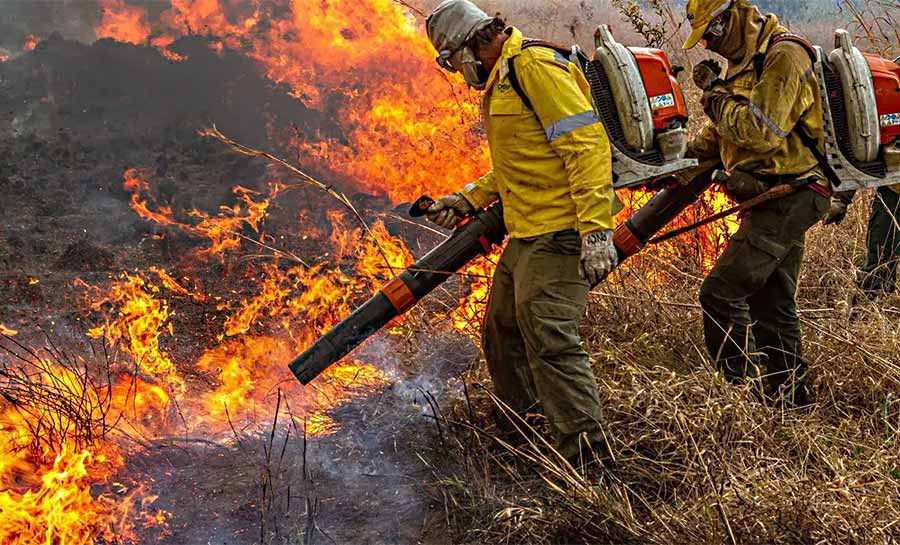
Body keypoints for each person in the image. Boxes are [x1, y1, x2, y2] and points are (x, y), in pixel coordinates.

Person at [424, 0, 617, 463]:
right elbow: (523, 162)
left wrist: (595, 233)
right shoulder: (504, 78)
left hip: (563, 228)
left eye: (452, 63)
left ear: (468, 49)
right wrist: (467, 199)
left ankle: (590, 463)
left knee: (548, 334)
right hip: (529, 229)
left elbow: (587, 148)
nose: (458, 74)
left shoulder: (534, 68)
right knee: (501, 330)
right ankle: (524, 439)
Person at [682, 0, 833, 406]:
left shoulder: (784, 55)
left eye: (711, 34)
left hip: (792, 194)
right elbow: (724, 134)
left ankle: (742, 398)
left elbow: (760, 133)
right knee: (771, 301)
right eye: (704, 40)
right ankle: (791, 400)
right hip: (774, 194)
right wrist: (678, 156)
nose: (710, 46)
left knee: (720, 293)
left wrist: (714, 95)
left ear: (732, 17)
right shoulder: (745, 62)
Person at [857, 185, 900, 296]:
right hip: (891, 194)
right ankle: (875, 296)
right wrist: (841, 200)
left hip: (891, 196)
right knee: (880, 254)